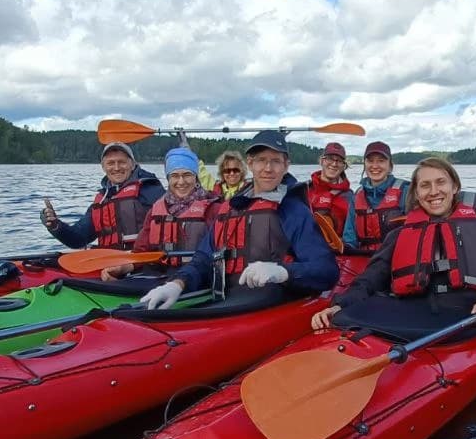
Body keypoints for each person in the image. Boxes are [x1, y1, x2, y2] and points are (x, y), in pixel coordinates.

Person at [311, 157, 476, 336]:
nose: (434, 191)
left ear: (455, 186)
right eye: (425, 185)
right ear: (416, 193)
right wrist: (339, 305)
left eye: (441, 182)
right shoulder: (398, 235)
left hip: (465, 318)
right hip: (409, 314)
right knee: (342, 318)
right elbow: (368, 281)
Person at [139, 130, 340, 308]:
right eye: (261, 160)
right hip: (227, 300)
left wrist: (283, 271)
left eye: (276, 161)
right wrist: (177, 284)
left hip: (269, 304)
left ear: (286, 166)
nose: (268, 168)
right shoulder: (230, 207)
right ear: (250, 164)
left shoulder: (294, 211)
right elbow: (203, 258)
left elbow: (327, 271)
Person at [99, 146, 223, 280]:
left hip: (197, 278)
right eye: (175, 176)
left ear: (196, 177)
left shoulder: (214, 209)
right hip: (160, 276)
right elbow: (141, 253)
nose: (181, 182)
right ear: (168, 179)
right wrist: (123, 267)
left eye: (187, 175)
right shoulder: (156, 209)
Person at [41, 142, 164, 250]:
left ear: (132, 164)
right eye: (111, 163)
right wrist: (56, 226)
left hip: (143, 262)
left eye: (121, 162)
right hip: (109, 262)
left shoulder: (150, 189)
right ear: (103, 167)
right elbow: (78, 239)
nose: (116, 168)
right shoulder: (102, 199)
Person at [343, 141, 410, 252]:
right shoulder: (357, 195)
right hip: (365, 259)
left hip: (396, 257)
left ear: (390, 166)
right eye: (370, 161)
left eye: (381, 161)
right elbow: (350, 238)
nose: (375, 166)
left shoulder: (406, 191)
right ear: (365, 164)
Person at [306, 141, 353, 236]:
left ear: (344, 166)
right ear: (322, 161)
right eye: (330, 159)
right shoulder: (304, 190)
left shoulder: (350, 197)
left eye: (339, 161)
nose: (334, 164)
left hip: (334, 249)